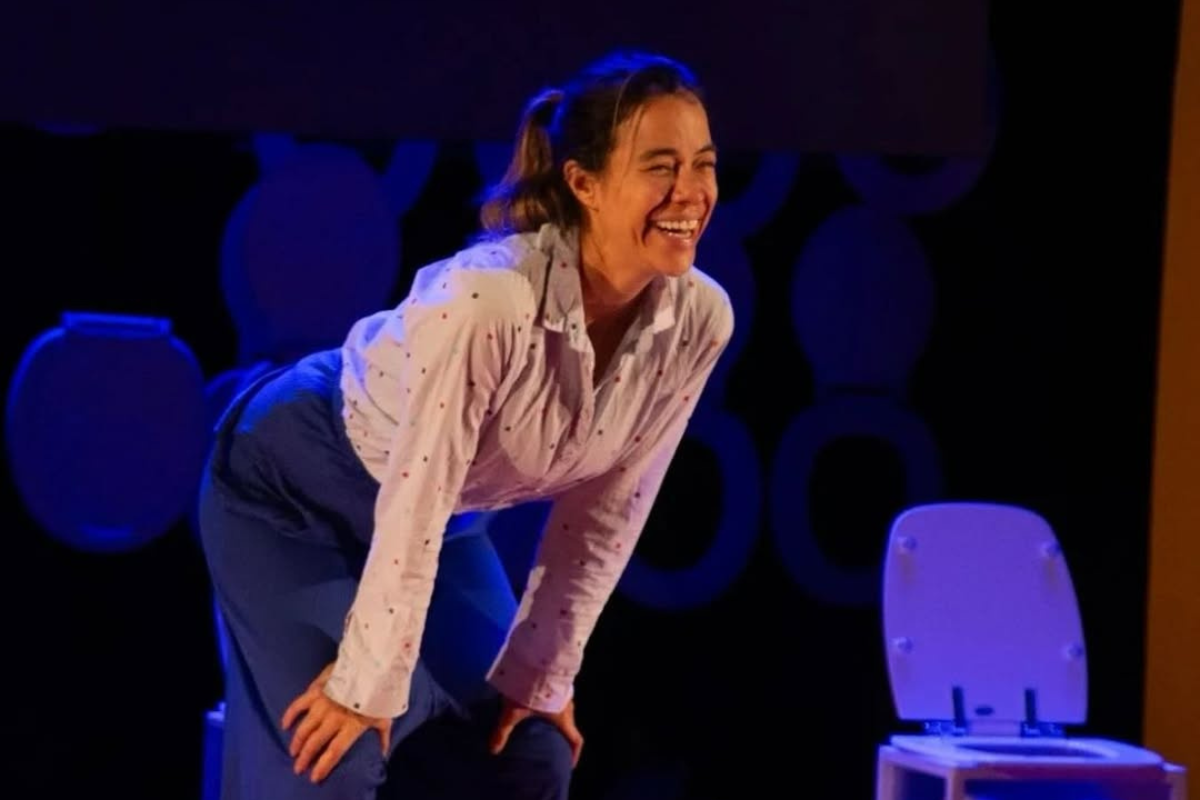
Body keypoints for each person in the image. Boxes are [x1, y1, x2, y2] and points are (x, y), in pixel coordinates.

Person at [197, 47, 733, 799]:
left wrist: (542, 677)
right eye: (660, 167)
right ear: (583, 183)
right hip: (288, 493)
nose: (691, 192)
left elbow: (609, 512)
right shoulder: (489, 301)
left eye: (704, 164)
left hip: (442, 522)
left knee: (530, 752)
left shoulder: (699, 319)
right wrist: (366, 685)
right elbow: (415, 498)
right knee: (336, 760)